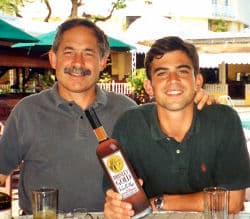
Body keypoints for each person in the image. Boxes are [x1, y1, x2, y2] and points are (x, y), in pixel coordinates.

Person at [0, 19, 212, 214]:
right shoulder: (27, 111)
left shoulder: (127, 110)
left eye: (89, 54)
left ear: (103, 62)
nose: (78, 63)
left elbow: (171, 159)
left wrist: (193, 106)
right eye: (69, 52)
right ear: (53, 58)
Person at [103, 36, 250, 219]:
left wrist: (158, 202)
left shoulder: (224, 120)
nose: (173, 80)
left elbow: (233, 201)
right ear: (149, 86)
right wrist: (116, 207)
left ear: (197, 81)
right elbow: (118, 197)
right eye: (162, 73)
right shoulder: (129, 125)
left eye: (182, 72)